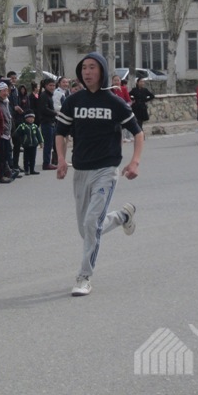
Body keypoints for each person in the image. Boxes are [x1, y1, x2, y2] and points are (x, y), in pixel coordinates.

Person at [55, 52, 143, 297]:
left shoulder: (115, 102)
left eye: (92, 67)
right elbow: (60, 133)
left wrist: (134, 162)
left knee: (91, 224)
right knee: (86, 230)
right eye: (84, 67)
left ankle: (84, 277)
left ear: (102, 71)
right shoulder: (73, 101)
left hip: (106, 170)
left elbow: (138, 133)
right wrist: (61, 159)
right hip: (81, 170)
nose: (87, 72)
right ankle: (123, 216)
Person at [37, 77, 58, 170]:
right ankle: (46, 163)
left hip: (51, 122)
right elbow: (44, 109)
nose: (52, 87)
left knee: (52, 143)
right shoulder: (44, 95)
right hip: (46, 122)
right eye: (50, 85)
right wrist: (55, 113)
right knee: (48, 144)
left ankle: (50, 161)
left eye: (53, 85)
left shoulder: (49, 95)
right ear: (45, 86)